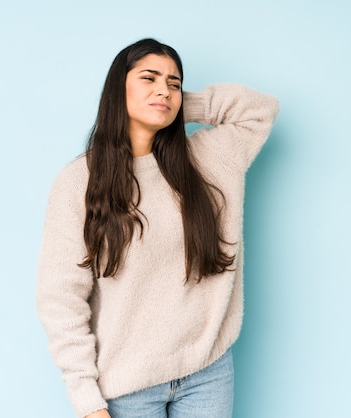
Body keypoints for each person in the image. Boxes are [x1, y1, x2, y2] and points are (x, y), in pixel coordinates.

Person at [35, 38, 279, 418]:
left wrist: (171, 106)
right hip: (126, 384)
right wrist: (87, 400)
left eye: (174, 83)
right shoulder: (78, 182)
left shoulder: (209, 159)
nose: (163, 89)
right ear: (119, 87)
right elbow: (60, 300)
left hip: (207, 372)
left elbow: (260, 110)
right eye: (148, 78)